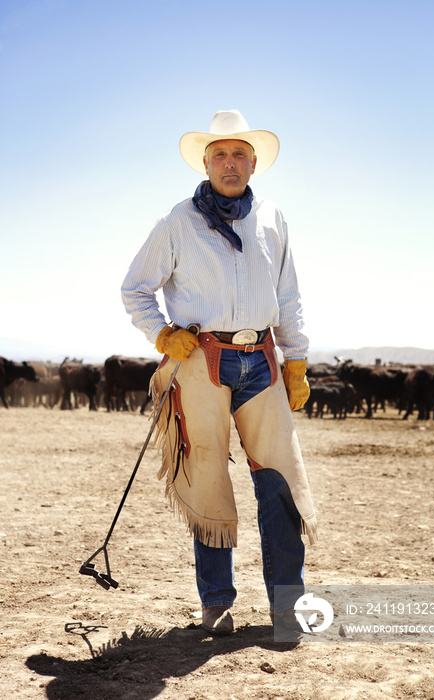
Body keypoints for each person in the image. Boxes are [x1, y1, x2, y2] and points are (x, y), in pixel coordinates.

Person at [121, 109, 317, 636]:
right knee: (206, 477)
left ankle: (286, 608)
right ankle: (216, 604)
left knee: (277, 482)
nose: (230, 163)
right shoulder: (177, 221)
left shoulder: (273, 218)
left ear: (254, 163)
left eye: (239, 154)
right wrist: (162, 334)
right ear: (205, 163)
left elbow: (288, 298)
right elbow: (135, 288)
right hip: (200, 360)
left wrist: (296, 361)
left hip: (262, 359)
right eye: (220, 155)